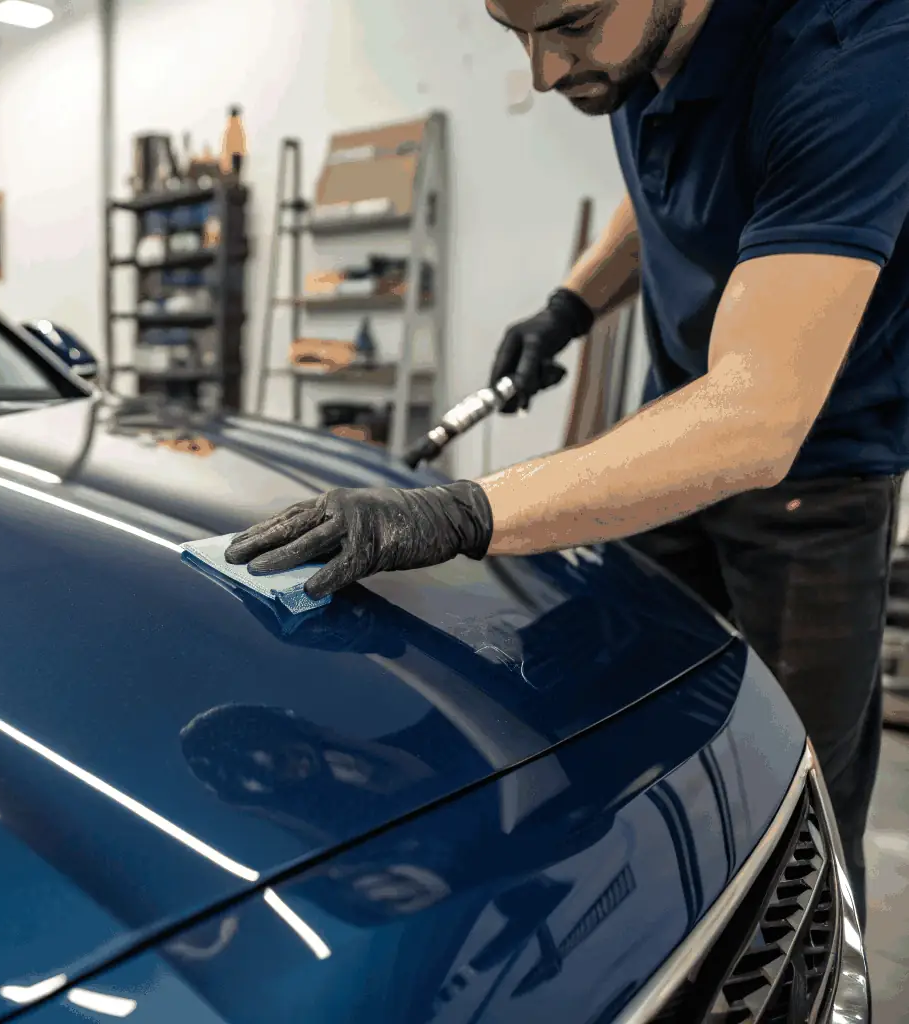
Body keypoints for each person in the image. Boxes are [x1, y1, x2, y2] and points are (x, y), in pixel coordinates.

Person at [225, 0, 909, 927]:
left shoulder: (850, 62)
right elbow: (664, 188)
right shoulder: (635, 54)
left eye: (571, 26)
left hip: (811, 484)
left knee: (800, 809)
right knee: (620, 727)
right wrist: (572, 305)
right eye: (514, 33)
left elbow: (755, 417)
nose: (543, 73)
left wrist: (460, 513)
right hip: (673, 433)